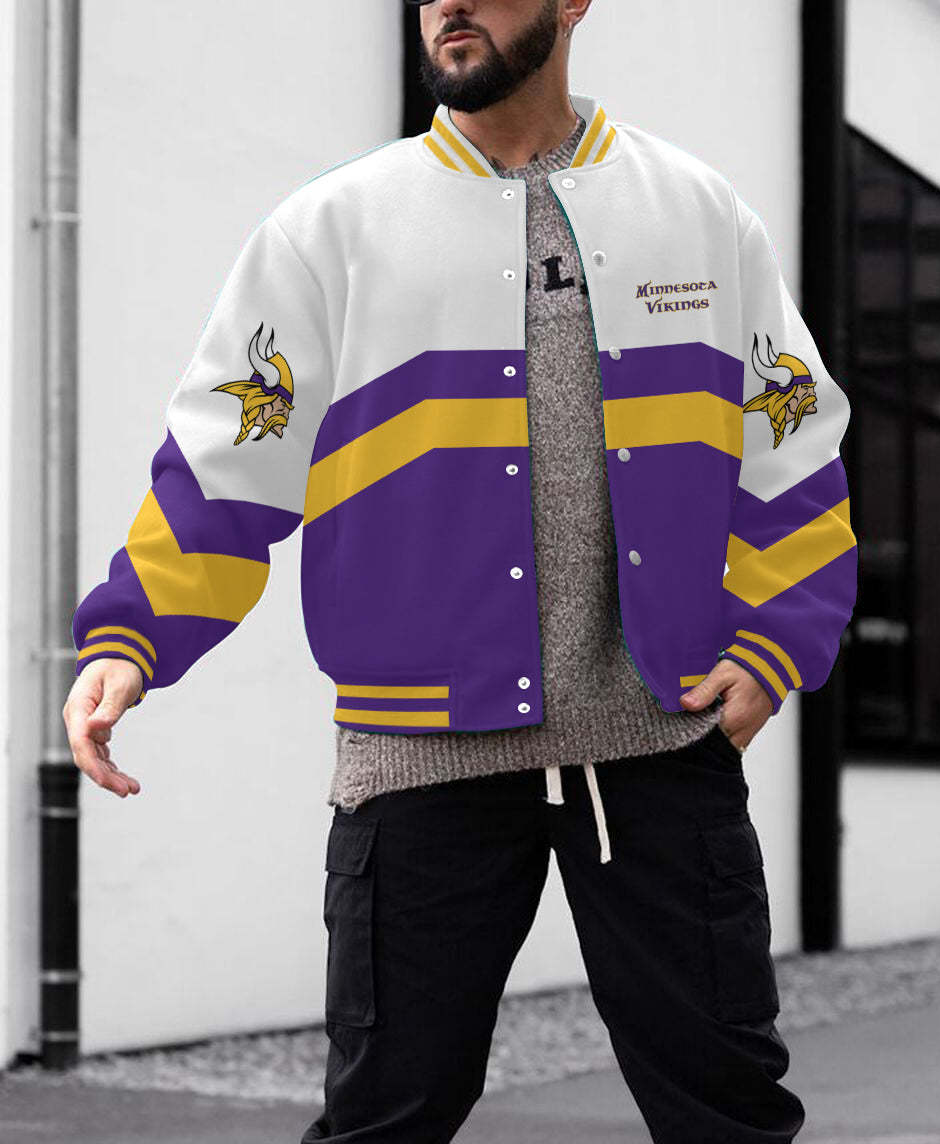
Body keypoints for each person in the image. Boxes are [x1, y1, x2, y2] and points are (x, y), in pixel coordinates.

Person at [63, 0, 858, 1140]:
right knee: (385, 1120)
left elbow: (792, 438)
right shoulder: (331, 228)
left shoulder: (695, 213)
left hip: (657, 747)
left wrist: (777, 637)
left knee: (729, 1116)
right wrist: (133, 634)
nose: (449, 4)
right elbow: (226, 457)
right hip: (418, 756)